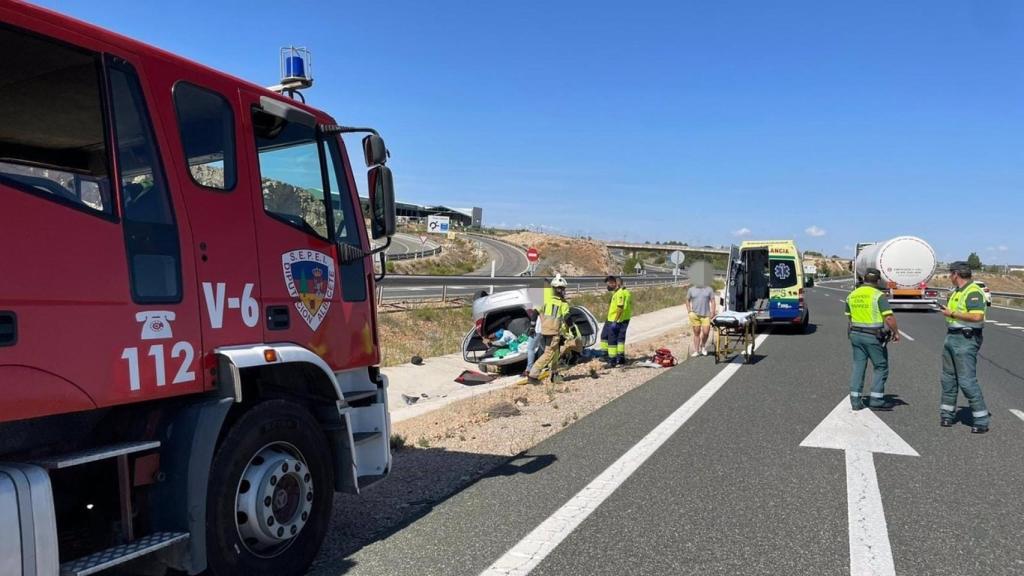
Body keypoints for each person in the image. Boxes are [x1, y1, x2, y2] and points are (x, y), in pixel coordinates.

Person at [938, 261, 990, 433]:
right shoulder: (957, 292)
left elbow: (977, 317)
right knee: (948, 378)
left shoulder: (973, 291)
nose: (949, 277)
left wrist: (951, 313)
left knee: (967, 381)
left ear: (956, 274)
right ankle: (947, 415)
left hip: (966, 339)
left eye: (950, 274)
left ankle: (981, 420)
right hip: (951, 336)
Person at [845, 268, 900, 410]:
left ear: (864, 279)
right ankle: (876, 399)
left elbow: (849, 317)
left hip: (855, 335)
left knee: (858, 366)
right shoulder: (878, 295)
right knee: (881, 366)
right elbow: (888, 317)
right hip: (873, 336)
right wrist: (896, 332)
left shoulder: (852, 295)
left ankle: (855, 400)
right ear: (877, 280)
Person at [528, 275, 570, 385]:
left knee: (555, 353)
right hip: (554, 333)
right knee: (548, 354)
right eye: (562, 288)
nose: (563, 291)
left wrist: (532, 327)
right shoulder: (563, 304)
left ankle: (554, 375)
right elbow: (567, 318)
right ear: (557, 289)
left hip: (546, 331)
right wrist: (572, 331)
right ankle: (533, 375)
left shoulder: (545, 300)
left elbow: (534, 313)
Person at [600, 276, 633, 367]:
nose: (608, 286)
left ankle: (611, 361)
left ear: (616, 283)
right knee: (619, 340)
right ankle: (620, 358)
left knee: (612, 341)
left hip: (615, 320)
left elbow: (620, 307)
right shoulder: (624, 292)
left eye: (609, 284)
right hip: (622, 319)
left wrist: (615, 321)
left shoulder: (620, 293)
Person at [685, 280, 717, 356]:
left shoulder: (709, 289)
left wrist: (713, 312)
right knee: (697, 333)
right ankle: (696, 351)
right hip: (695, 315)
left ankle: (703, 346)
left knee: (706, 332)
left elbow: (713, 301)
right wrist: (689, 310)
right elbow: (687, 300)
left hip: (706, 315)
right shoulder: (691, 289)